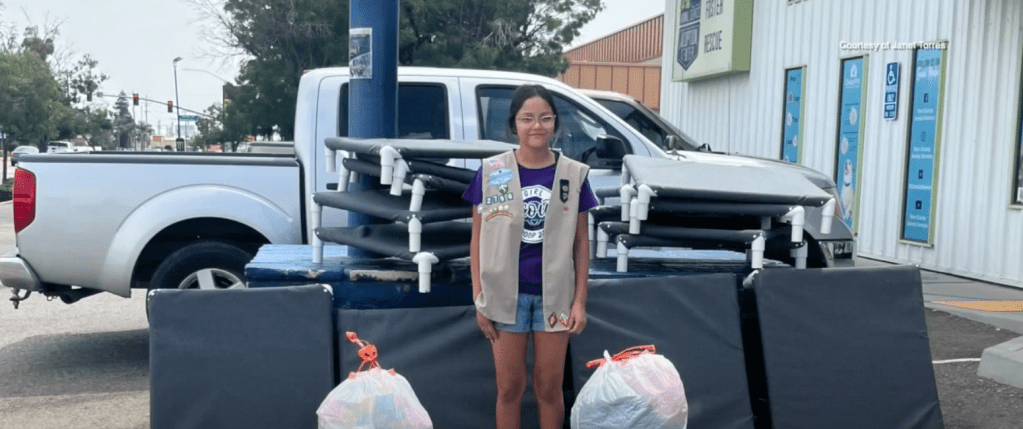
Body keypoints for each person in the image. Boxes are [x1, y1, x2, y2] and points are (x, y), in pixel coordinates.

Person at [463, 84, 599, 429]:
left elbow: (582, 243)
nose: (536, 126)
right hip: (504, 297)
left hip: (555, 299)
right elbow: (477, 237)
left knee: (548, 388)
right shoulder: (493, 171)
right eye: (527, 119)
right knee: (509, 388)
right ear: (514, 124)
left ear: (555, 124)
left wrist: (579, 302)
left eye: (545, 118)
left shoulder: (573, 175)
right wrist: (479, 297)